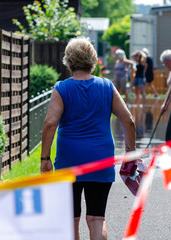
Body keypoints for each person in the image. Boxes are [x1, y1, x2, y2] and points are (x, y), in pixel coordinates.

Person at [40, 37, 136, 240]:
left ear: (69, 62)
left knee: (70, 218)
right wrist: (130, 152)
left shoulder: (62, 88)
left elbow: (50, 124)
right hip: (101, 159)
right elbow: (129, 121)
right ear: (93, 60)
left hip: (69, 161)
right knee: (96, 218)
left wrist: (45, 158)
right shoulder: (107, 86)